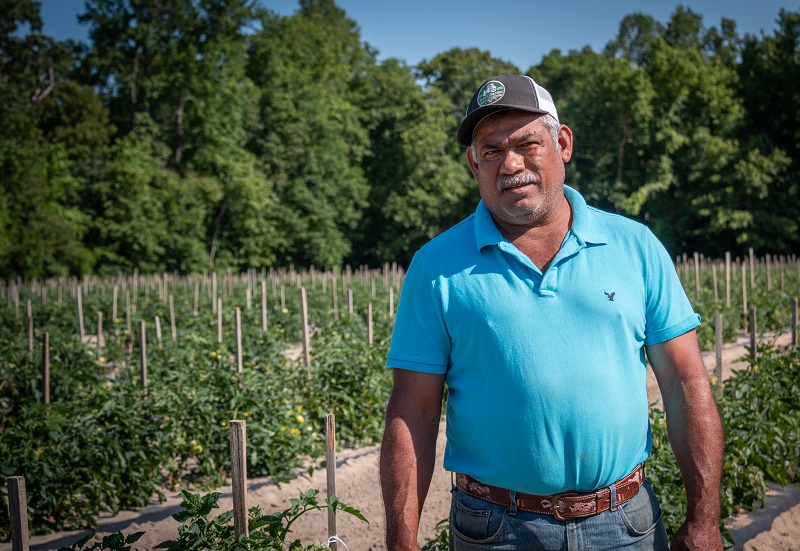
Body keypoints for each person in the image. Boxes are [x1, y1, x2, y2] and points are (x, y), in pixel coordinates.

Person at [379, 74, 724, 551]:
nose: (511, 164)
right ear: (472, 163)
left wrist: (704, 520)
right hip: (495, 530)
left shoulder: (635, 247)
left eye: (527, 143)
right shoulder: (437, 267)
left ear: (562, 143)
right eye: (492, 150)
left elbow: (687, 384)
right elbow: (412, 409)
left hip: (624, 525)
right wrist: (401, 541)